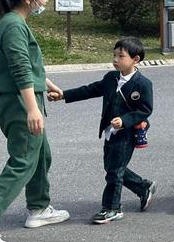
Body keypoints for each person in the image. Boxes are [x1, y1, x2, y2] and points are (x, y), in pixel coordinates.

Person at [0, 0, 70, 242]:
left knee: (41, 155)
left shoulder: (13, 23)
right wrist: (33, 108)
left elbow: (27, 65)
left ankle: (39, 208)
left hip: (20, 99)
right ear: (29, 0)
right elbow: (19, 69)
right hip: (18, 103)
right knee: (23, 161)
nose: (47, 0)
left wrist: (50, 84)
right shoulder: (13, 26)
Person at [53, 37, 156, 224]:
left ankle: (112, 208)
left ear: (136, 59)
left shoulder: (143, 84)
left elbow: (145, 110)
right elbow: (90, 90)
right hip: (110, 132)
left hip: (126, 134)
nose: (116, 59)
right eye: (114, 55)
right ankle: (143, 187)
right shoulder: (111, 77)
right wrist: (63, 95)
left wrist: (124, 121)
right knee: (112, 168)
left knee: (114, 172)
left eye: (121, 56)